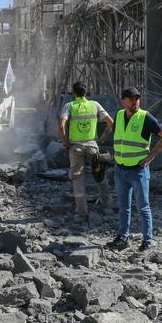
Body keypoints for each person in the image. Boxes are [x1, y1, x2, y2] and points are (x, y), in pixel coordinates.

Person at [107, 86, 162, 252]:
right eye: (131, 98)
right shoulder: (119, 115)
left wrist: (151, 157)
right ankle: (123, 238)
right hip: (120, 169)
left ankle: (147, 241)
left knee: (143, 207)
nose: (135, 101)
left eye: (137, 98)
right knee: (123, 206)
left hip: (138, 171)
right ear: (123, 101)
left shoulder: (145, 117)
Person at [58, 82, 114, 221]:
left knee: (78, 179)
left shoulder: (69, 106)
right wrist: (101, 139)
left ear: (74, 93)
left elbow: (61, 125)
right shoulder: (94, 105)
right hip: (92, 146)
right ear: (86, 93)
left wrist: (65, 141)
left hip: (75, 147)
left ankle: (81, 213)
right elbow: (110, 122)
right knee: (100, 176)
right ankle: (107, 207)